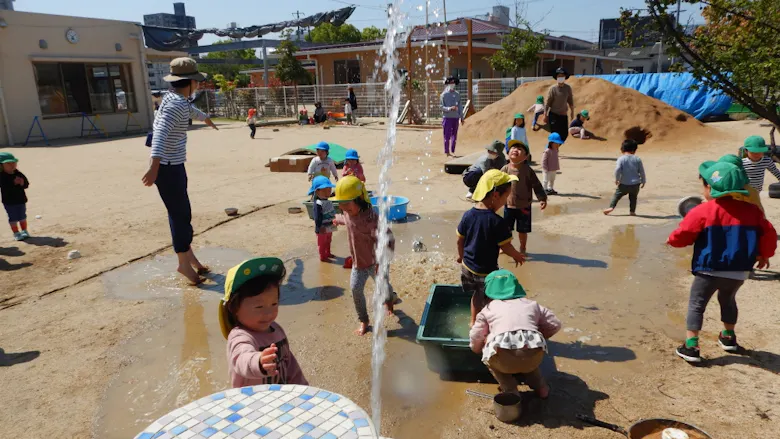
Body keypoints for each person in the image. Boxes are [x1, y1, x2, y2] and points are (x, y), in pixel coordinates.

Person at [668, 161, 776, 363]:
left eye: (704, 186)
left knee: (696, 304)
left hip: (708, 269)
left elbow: (684, 233)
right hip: (739, 271)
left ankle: (691, 346)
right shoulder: (752, 211)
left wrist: (672, 241)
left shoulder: (703, 211)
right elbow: (769, 233)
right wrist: (764, 254)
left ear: (710, 187)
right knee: (728, 300)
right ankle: (728, 338)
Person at [141, 57, 219, 285]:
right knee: (180, 215)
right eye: (197, 81)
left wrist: (206, 118)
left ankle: (189, 256)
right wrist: (153, 168)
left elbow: (190, 110)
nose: (198, 85)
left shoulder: (175, 99)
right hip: (167, 168)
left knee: (182, 213)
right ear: (191, 82)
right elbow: (160, 136)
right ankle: (183, 264)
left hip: (173, 165)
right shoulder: (175, 105)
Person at [470, 269, 560, 398]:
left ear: (488, 292)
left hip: (504, 360)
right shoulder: (532, 305)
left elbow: (476, 335)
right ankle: (542, 388)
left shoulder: (488, 309)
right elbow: (555, 324)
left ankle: (510, 389)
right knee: (529, 361)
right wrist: (540, 334)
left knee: (489, 358)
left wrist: (477, 348)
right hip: (534, 356)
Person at [219, 257, 307, 387]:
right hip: (252, 402)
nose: (269, 313)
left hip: (279, 397)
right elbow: (241, 358)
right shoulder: (240, 336)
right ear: (234, 308)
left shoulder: (277, 330)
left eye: (274, 304)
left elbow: (291, 366)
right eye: (259, 307)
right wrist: (258, 362)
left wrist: (302, 388)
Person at [457, 169, 527, 326]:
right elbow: (506, 246)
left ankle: (473, 321)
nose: (506, 201)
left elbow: (459, 240)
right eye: (506, 197)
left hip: (467, 267)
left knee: (476, 295)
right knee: (490, 298)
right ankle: (487, 325)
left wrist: (460, 257)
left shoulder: (468, 215)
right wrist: (516, 255)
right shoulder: (497, 222)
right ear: (496, 196)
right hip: (485, 271)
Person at [331, 177, 396, 336]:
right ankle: (364, 320)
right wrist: (338, 220)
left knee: (384, 287)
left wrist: (383, 261)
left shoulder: (371, 219)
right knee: (355, 289)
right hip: (358, 264)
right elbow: (347, 220)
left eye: (346, 203)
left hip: (375, 264)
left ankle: (390, 302)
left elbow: (389, 239)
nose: (343, 207)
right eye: (340, 203)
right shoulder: (347, 212)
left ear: (360, 200)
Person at [501, 141, 547, 255]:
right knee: (506, 230)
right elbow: (497, 183)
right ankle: (505, 247)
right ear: (508, 153)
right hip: (508, 204)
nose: (516, 150)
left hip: (524, 206)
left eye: (520, 149)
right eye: (513, 148)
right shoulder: (505, 169)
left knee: (523, 230)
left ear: (526, 156)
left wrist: (542, 198)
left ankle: (522, 248)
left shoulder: (527, 170)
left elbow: (536, 185)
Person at [604, 139, 646, 216]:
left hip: (624, 183)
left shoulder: (621, 158)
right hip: (635, 184)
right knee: (633, 198)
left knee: (616, 196)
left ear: (622, 149)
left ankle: (611, 207)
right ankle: (632, 211)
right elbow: (642, 171)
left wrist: (617, 179)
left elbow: (617, 169)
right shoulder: (637, 159)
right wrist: (643, 181)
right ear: (634, 150)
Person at [0, 152, 30, 241]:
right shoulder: (1, 176)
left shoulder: (18, 173)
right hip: (9, 201)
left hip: (21, 200)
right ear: (1, 165)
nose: (12, 165)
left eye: (13, 162)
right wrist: (13, 183)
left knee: (22, 216)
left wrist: (22, 183)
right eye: (8, 163)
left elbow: (26, 184)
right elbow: (4, 187)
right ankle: (16, 233)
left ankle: (24, 230)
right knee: (13, 218)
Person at [310, 176, 337, 262]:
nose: (327, 192)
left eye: (329, 190)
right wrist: (319, 227)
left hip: (330, 225)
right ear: (317, 191)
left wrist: (335, 220)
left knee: (328, 240)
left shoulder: (328, 200)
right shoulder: (318, 203)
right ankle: (323, 256)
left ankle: (328, 253)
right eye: (324, 190)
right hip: (322, 226)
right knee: (322, 243)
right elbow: (317, 217)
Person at [543, 67, 575, 142]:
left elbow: (570, 100)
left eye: (562, 76)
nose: (560, 78)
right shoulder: (553, 89)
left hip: (563, 115)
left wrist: (572, 112)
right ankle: (551, 150)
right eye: (559, 76)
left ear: (565, 77)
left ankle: (554, 148)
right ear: (556, 77)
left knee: (564, 134)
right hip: (554, 115)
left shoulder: (568, 88)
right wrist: (545, 114)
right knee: (555, 135)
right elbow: (548, 103)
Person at [441, 77, 465, 157]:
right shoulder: (443, 95)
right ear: (447, 84)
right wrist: (449, 108)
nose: (452, 84)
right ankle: (447, 152)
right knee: (446, 135)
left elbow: (460, 106)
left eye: (453, 83)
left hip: (455, 118)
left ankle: (453, 150)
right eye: (450, 83)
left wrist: (461, 117)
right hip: (447, 118)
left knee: (454, 135)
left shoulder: (457, 94)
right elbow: (441, 107)